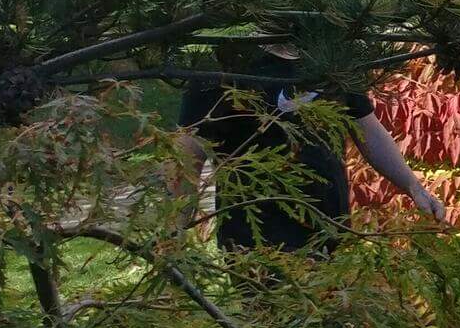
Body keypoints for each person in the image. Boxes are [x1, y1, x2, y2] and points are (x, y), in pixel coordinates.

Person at [178, 46, 443, 252]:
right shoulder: (226, 64)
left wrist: (413, 187)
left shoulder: (328, 56)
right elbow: (190, 150)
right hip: (256, 240)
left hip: (329, 233)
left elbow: (368, 130)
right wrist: (175, 224)